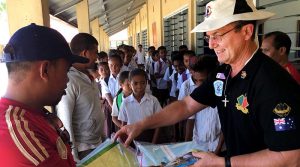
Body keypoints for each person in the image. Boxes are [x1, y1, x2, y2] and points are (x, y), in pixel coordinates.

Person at [115, 0, 300, 166]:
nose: (211, 44)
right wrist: (141, 124)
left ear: (246, 31)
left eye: (218, 35)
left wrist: (223, 163)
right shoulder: (224, 73)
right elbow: (186, 105)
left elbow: (290, 156)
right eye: (208, 36)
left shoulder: (274, 83)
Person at [0, 23, 89, 166]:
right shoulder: (21, 136)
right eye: (66, 71)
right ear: (45, 70)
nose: (67, 79)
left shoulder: (34, 114)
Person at [56, 33, 104, 161]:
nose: (96, 58)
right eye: (95, 53)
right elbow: (65, 120)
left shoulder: (88, 77)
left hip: (97, 144)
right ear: (85, 53)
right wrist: (74, 157)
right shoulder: (70, 81)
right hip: (83, 150)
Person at [179, 56, 224, 154]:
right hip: (198, 146)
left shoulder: (223, 93)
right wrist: (187, 147)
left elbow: (225, 126)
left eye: (203, 81)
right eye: (196, 80)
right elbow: (190, 121)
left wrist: (217, 151)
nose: (199, 86)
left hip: (218, 147)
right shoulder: (194, 94)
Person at [118, 69, 161, 143]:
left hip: (150, 135)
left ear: (146, 83)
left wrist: (154, 142)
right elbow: (124, 125)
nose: (139, 86)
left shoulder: (153, 101)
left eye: (142, 83)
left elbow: (159, 123)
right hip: (131, 137)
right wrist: (126, 142)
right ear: (130, 84)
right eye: (135, 83)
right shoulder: (125, 103)